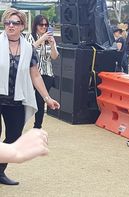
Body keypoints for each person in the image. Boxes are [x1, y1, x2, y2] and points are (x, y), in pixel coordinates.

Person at [0, 8, 60, 185]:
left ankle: (0, 171)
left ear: (22, 26)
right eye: (7, 22)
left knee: (14, 137)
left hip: (16, 99)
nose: (10, 26)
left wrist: (47, 98)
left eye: (15, 23)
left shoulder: (28, 48)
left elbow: (35, 75)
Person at [26, 14, 59, 129]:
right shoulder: (30, 37)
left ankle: (37, 126)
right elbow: (29, 50)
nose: (44, 27)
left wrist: (52, 44)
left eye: (46, 25)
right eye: (41, 24)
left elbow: (54, 57)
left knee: (41, 101)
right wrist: (42, 39)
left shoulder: (50, 38)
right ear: (36, 25)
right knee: (28, 100)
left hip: (47, 74)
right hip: (32, 74)